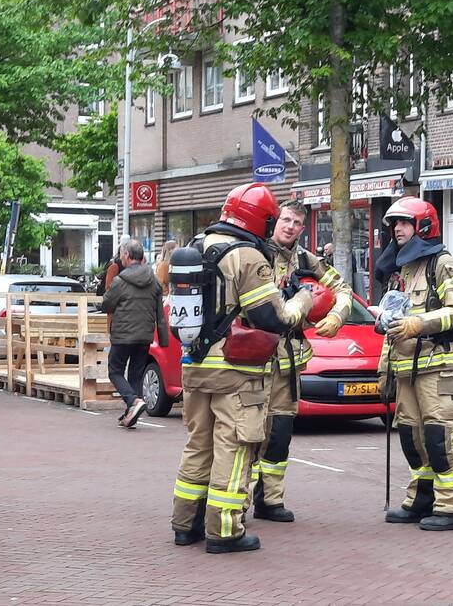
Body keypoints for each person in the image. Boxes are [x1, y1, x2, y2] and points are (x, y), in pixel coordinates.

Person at [171, 183, 315, 554]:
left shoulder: (198, 245)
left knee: (198, 445)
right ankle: (225, 531)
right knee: (234, 449)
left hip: (195, 366)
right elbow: (271, 318)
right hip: (236, 372)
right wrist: (303, 300)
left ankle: (185, 525)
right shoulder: (248, 256)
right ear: (262, 220)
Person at [374, 196, 453, 530]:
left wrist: (418, 324)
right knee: (412, 438)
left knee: (440, 437)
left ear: (424, 226)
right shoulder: (401, 270)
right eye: (394, 224)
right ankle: (421, 499)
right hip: (405, 372)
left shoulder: (443, 264)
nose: (397, 229)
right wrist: (385, 369)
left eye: (404, 223)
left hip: (438, 369)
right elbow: (393, 323)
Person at [256, 200, 353, 522]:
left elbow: (343, 289)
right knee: (248, 433)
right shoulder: (254, 252)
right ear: (275, 220)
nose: (291, 227)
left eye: (297, 223)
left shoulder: (305, 260)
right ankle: (236, 502)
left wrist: (337, 315)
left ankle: (270, 500)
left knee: (279, 433)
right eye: (286, 220)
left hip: (286, 364)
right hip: (252, 361)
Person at [101, 239, 169, 429]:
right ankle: (131, 413)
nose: (121, 258)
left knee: (115, 371)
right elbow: (160, 313)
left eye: (122, 254)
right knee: (136, 375)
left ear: (127, 256)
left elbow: (106, 304)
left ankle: (133, 401)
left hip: (122, 335)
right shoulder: (154, 282)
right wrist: (163, 339)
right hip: (145, 336)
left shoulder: (120, 281)